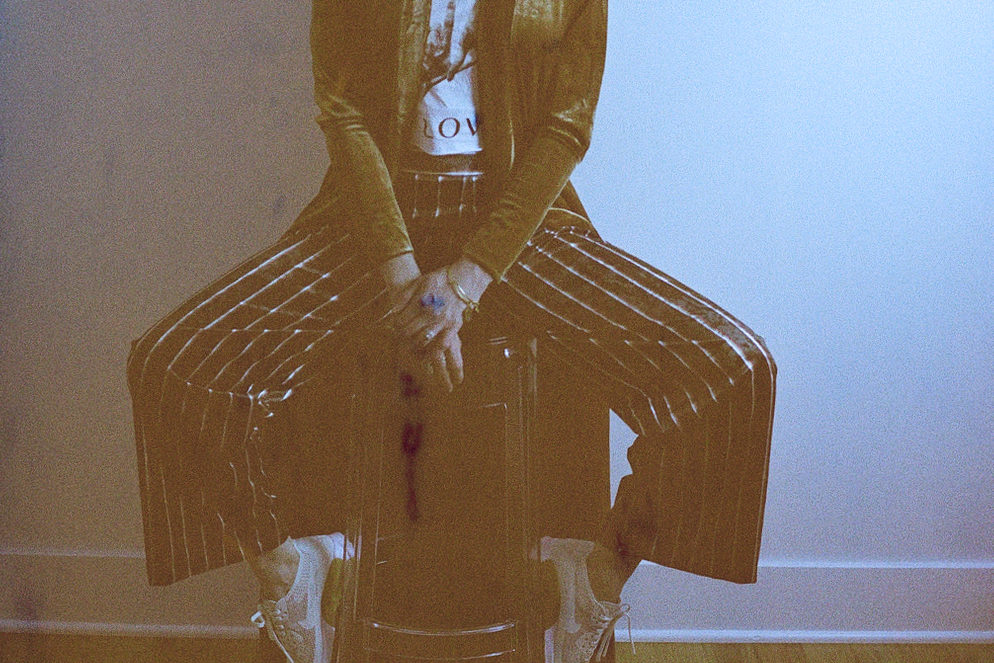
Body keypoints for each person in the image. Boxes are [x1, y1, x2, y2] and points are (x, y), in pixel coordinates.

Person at [126, 1, 777, 662]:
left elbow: (566, 126)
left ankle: (595, 581)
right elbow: (344, 113)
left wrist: (465, 282)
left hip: (519, 225)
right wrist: (404, 276)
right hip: (375, 216)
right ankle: (286, 575)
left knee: (731, 371)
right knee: (174, 367)